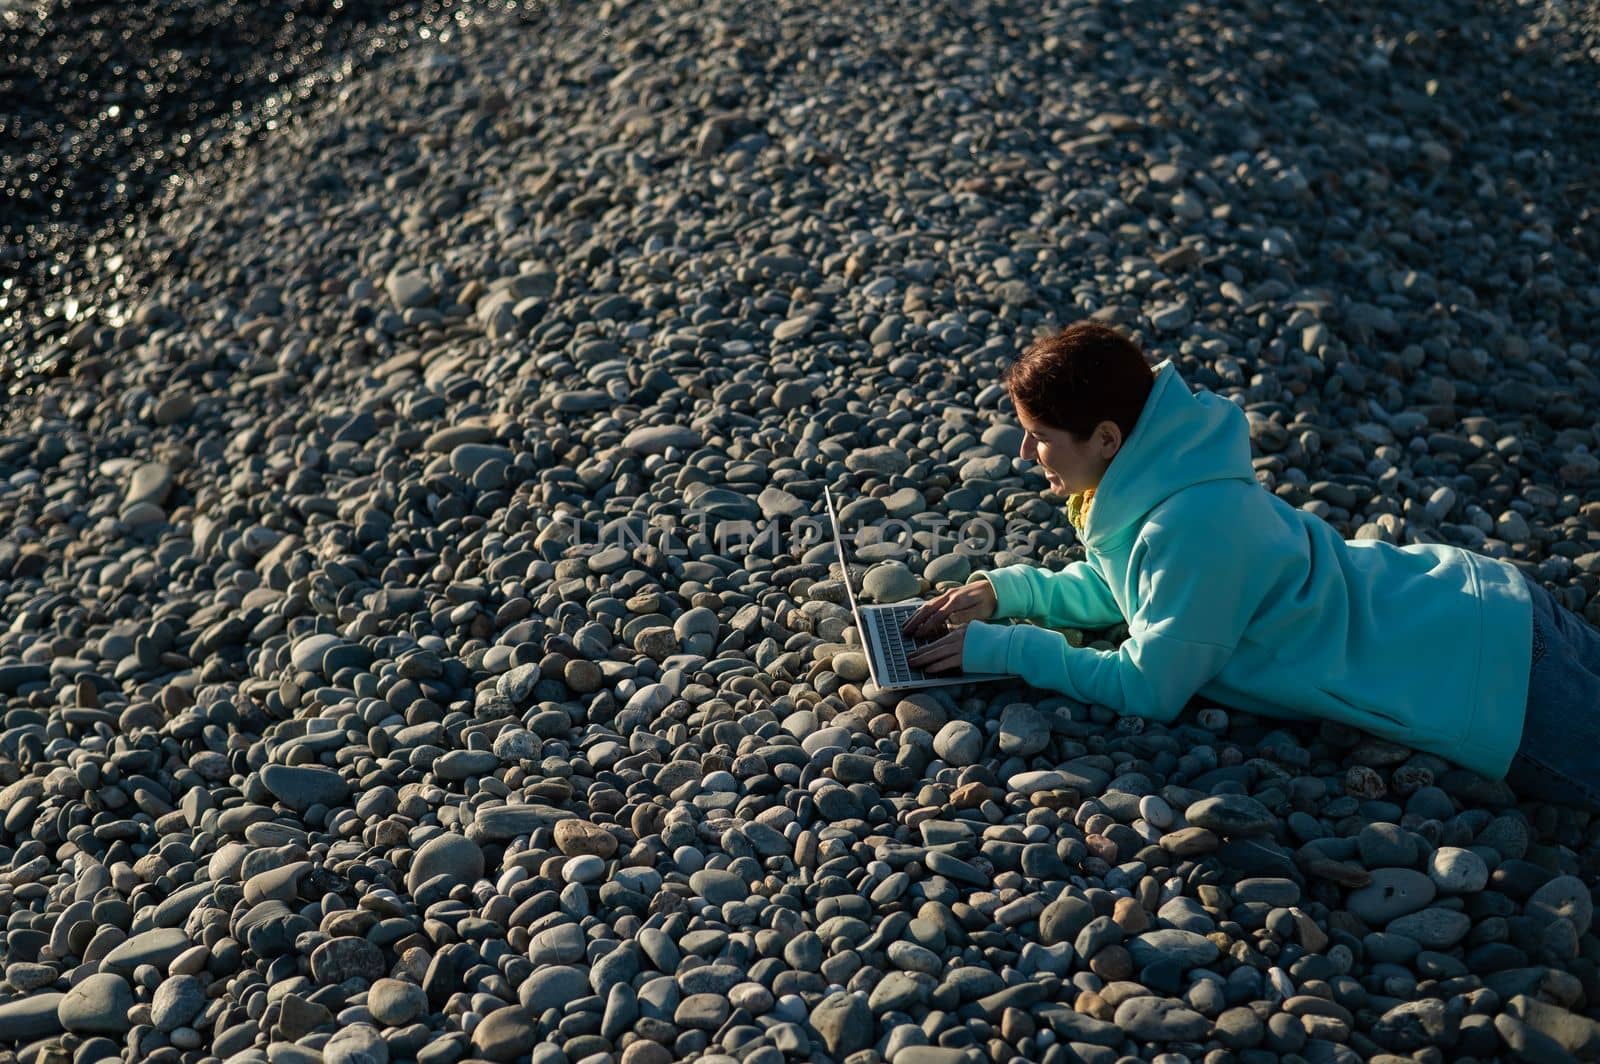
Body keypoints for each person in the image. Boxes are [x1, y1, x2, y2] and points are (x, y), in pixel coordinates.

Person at [903, 320, 1600, 807]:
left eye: (1039, 438)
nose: (1025, 457)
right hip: (1471, 601)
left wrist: (1014, 649)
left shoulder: (1191, 527)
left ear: (1108, 437)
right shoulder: (1169, 478)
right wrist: (1005, 595)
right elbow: (1135, 593)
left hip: (1484, 675)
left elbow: (1150, 687)